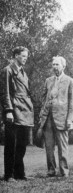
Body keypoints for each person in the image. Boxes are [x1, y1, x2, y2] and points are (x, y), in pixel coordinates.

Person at [37, 56, 73, 178]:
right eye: (53, 64)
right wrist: (42, 116)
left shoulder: (70, 81)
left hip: (62, 118)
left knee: (62, 147)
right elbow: (43, 99)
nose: (54, 67)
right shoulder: (48, 80)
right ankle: (51, 170)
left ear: (63, 66)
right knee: (49, 147)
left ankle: (64, 171)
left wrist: (70, 119)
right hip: (47, 119)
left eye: (57, 65)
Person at [0, 46, 34, 182]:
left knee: (22, 143)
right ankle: (9, 174)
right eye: (23, 56)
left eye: (26, 56)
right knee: (11, 144)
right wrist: (8, 110)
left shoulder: (23, 72)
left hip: (25, 110)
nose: (25, 58)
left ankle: (19, 173)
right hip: (13, 110)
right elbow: (5, 92)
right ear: (15, 56)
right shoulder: (7, 70)